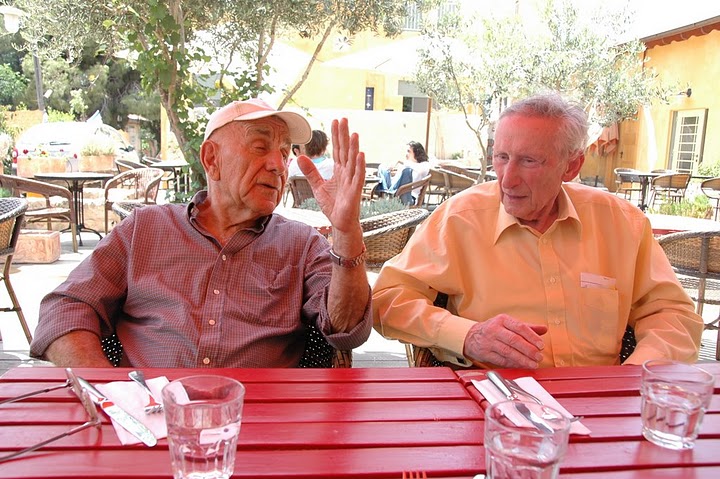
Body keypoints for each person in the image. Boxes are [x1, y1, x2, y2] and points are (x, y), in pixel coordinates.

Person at [30, 98, 371, 368]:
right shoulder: (144, 230)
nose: (278, 165)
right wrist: (109, 392)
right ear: (211, 159)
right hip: (148, 421)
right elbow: (65, 308)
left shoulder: (301, 244)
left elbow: (346, 330)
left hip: (260, 424)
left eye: (284, 154)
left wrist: (346, 231)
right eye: (260, 147)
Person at [372, 93, 703, 370]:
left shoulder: (621, 223)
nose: (507, 178)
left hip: (598, 404)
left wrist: (635, 376)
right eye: (501, 157)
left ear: (571, 165)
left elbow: (672, 315)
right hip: (493, 402)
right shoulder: (461, 219)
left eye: (529, 161)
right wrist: (466, 335)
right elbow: (387, 301)